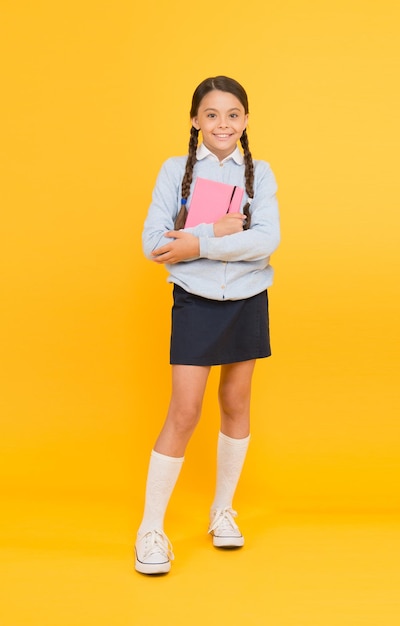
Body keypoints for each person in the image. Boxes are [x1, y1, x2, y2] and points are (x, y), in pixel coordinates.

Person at [135, 76, 280, 575]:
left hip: (247, 299)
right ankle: (150, 529)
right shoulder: (175, 171)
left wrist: (195, 245)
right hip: (194, 301)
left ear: (245, 120)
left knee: (236, 403)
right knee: (185, 410)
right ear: (196, 120)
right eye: (213, 114)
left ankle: (222, 511)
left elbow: (266, 240)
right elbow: (155, 242)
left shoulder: (260, 174)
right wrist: (208, 233)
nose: (224, 123)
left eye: (234, 114)